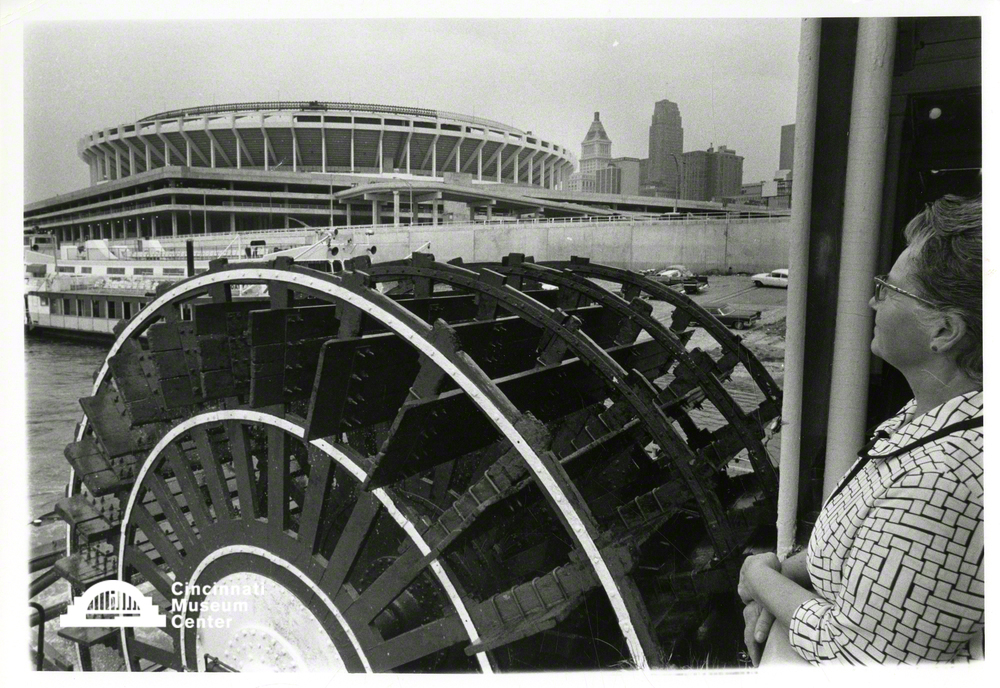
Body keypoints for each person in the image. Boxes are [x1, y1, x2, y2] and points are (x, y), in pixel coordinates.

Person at [739, 195, 983, 665]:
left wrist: (758, 574)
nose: (873, 300)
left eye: (889, 290)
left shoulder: (949, 479)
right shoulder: (926, 415)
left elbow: (858, 655)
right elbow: (863, 546)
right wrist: (783, 576)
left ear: (945, 331)